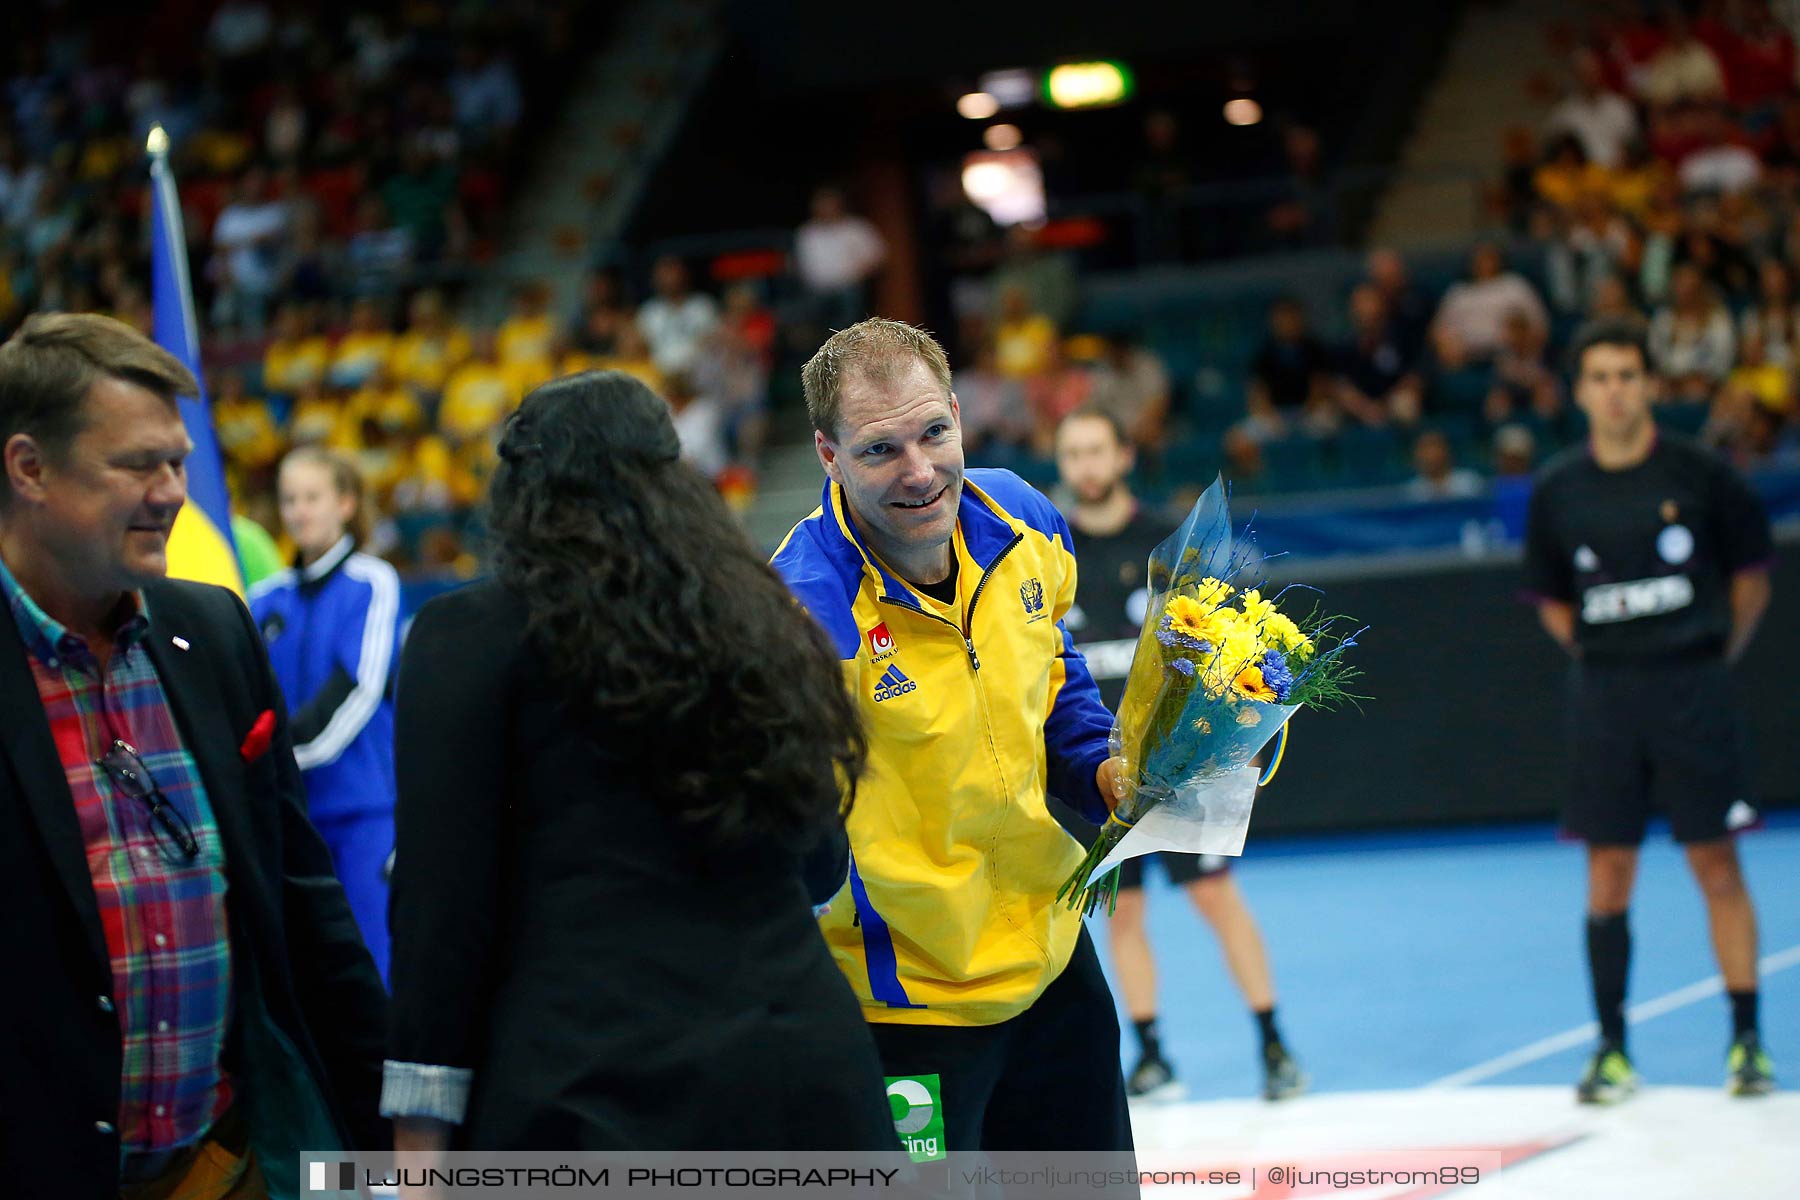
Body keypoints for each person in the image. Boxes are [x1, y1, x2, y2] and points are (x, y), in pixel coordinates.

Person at [383, 371, 895, 1152]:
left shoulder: (467, 636)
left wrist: (419, 1132)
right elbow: (819, 860)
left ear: (522, 494)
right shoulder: (761, 615)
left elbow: (440, 914)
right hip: (803, 1069)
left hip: (591, 1088)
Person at [0, 313, 386, 1198]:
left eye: (177, 461)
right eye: (140, 464)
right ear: (29, 468)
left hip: (230, 1162)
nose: (174, 491)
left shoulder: (211, 630)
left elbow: (305, 907)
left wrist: (387, 1134)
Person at [771, 318, 1132, 1153]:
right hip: (904, 1012)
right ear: (829, 457)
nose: (921, 471)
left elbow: (1054, 680)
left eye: (935, 431)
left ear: (961, 414)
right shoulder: (800, 614)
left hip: (1053, 970)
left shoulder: (1026, 518)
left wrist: (1105, 772)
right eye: (879, 450)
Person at [1524, 319, 1776, 1102]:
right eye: (1599, 376)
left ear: (1651, 384)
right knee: (1609, 872)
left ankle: (1746, 1044)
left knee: (1716, 862)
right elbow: (1554, 604)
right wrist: (1611, 656)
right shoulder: (1559, 489)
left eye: (1628, 375)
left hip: (1692, 691)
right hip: (1606, 699)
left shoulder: (1703, 475)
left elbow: (1752, 577)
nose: (1615, 390)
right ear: (1580, 391)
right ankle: (1612, 1049)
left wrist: (1706, 652)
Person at [1052, 406, 1309, 1103]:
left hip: (1182, 766)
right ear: (1062, 464)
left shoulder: (1168, 544)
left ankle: (1274, 1044)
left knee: (1215, 896)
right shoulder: (1052, 553)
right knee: (1123, 913)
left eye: (1097, 448)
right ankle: (1154, 1056)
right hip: (1100, 775)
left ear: (1123, 455)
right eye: (1072, 453)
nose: (1086, 465)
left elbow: (1222, 653)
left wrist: (1238, 738)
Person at [249, 446, 401, 980]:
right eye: (290, 499)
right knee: (309, 974)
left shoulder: (372, 581)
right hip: (292, 818)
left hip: (364, 811)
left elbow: (356, 689)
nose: (299, 511)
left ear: (345, 502)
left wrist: (276, 757)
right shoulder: (264, 599)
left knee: (373, 962)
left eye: (312, 497)